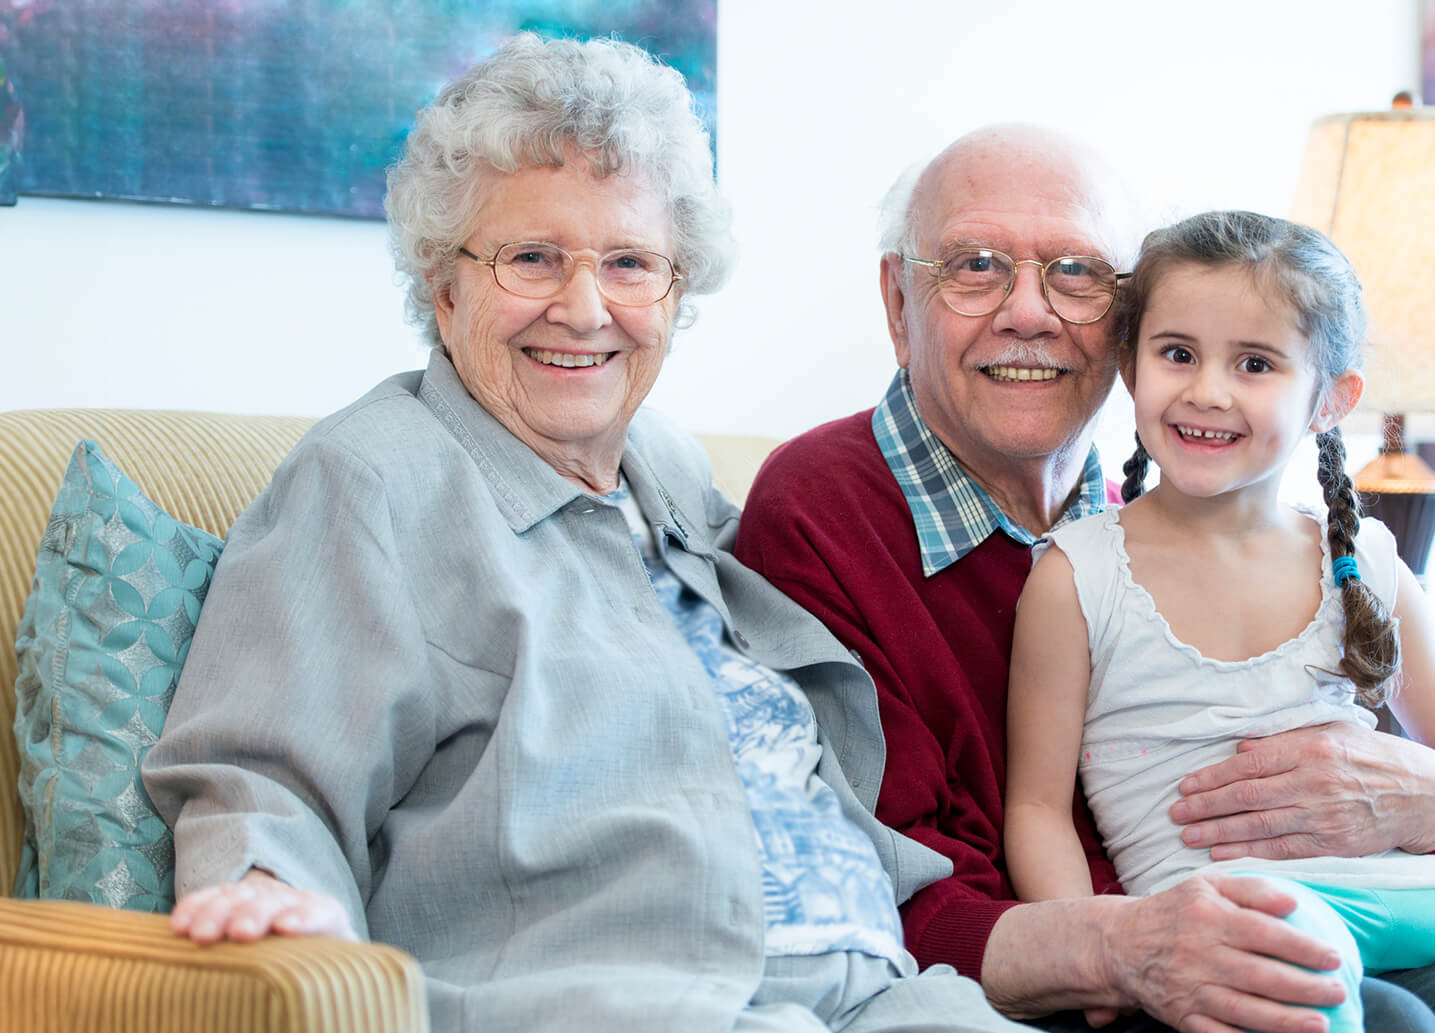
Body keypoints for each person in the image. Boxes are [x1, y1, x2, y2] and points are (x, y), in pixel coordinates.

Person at [140, 34, 1040, 1033]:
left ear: (673, 292)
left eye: (628, 262)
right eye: (531, 258)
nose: (583, 307)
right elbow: (265, 773)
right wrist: (270, 903)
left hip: (882, 996)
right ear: (444, 287)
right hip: (630, 1004)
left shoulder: (669, 473)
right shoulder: (374, 475)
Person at [733, 125, 1435, 1033]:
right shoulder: (824, 512)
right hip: (1075, 980)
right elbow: (881, 883)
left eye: (1076, 273)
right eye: (974, 265)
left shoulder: (1138, 500)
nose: (1028, 312)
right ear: (897, 301)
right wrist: (1114, 953)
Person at [1005, 210, 1435, 1033]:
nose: (1206, 389)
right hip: (1221, 921)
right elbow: (1035, 808)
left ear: (1329, 399)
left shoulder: (1367, 563)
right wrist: (1096, 962)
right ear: (1129, 368)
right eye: (1177, 353)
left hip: (1393, 891)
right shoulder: (1075, 576)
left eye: (1254, 362)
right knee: (1366, 1003)